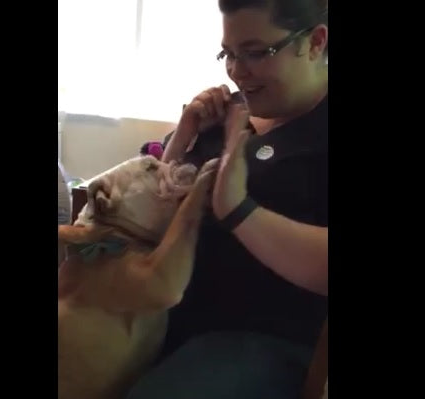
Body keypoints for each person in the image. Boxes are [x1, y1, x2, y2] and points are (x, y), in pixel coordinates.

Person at [128, 0, 328, 397]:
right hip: (162, 312)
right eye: (229, 54)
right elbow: (148, 210)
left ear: (316, 42)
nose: (237, 71)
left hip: (262, 338)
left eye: (255, 52)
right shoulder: (227, 117)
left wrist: (239, 211)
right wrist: (182, 139)